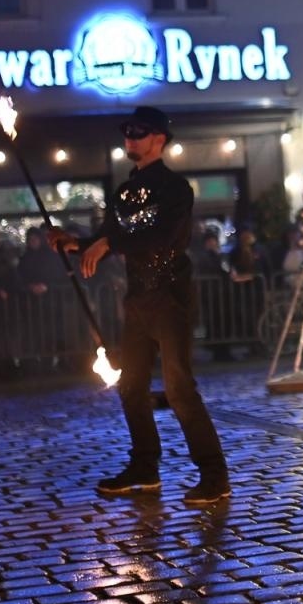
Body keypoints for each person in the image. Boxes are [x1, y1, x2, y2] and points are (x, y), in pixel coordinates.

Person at [49, 106, 229, 504]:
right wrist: (72, 240)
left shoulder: (176, 190)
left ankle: (214, 475)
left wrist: (108, 243)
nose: (130, 137)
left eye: (139, 131)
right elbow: (108, 234)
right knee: (130, 387)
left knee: (180, 389)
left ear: (159, 139)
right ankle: (145, 468)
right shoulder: (124, 192)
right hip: (138, 302)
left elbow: (162, 237)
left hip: (171, 299)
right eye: (126, 131)